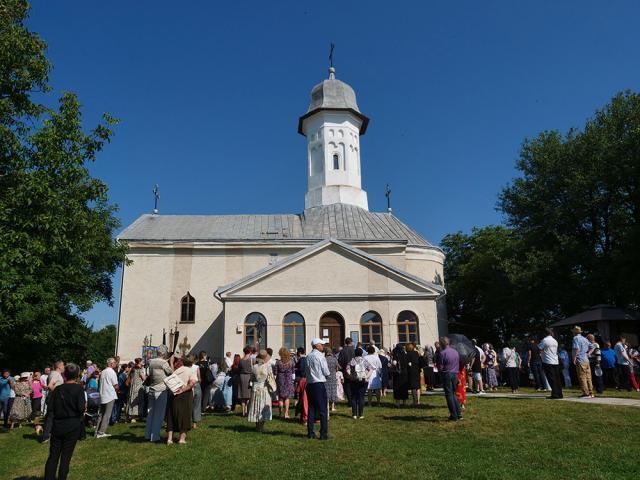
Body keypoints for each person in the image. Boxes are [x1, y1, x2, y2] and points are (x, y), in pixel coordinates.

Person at [43, 363, 86, 480]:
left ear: (65, 374)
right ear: (77, 374)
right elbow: (81, 408)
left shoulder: (58, 389)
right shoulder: (78, 389)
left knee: (53, 455)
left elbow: (51, 407)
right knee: (65, 456)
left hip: (58, 425)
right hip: (72, 425)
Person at [166, 357, 198, 444]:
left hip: (173, 394)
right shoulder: (190, 371)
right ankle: (182, 439)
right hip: (185, 395)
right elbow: (192, 383)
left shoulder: (176, 371)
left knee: (171, 415)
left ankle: (169, 439)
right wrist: (183, 389)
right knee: (185, 415)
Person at [145, 345, 173, 442]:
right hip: (161, 389)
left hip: (152, 389)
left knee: (150, 413)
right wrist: (171, 362)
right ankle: (155, 437)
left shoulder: (151, 361)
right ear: (164, 354)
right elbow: (171, 373)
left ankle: (148, 435)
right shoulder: (164, 362)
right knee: (159, 414)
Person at [305, 338, 330, 440]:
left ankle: (310, 432)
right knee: (322, 410)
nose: (323, 346)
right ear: (317, 346)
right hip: (319, 384)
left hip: (310, 384)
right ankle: (323, 433)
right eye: (321, 345)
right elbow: (326, 371)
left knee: (311, 409)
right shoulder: (320, 356)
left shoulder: (308, 356)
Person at [437, 337, 462, 421]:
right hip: (455, 374)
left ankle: (454, 415)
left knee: (449, 395)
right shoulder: (455, 352)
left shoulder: (442, 353)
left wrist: (440, 374)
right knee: (453, 394)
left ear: (441, 344)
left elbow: (440, 367)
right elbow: (458, 363)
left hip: (447, 374)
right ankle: (458, 414)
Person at [248, 350, 273, 432]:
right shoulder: (268, 366)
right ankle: (261, 427)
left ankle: (257, 426)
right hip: (263, 389)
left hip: (255, 389)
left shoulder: (254, 366)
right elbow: (271, 379)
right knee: (262, 407)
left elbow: (251, 379)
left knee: (256, 407)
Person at [95, 358, 118, 438]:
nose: (116, 364)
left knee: (101, 414)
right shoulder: (112, 372)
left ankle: (97, 431)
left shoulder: (103, 371)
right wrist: (117, 388)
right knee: (107, 415)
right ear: (111, 364)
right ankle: (101, 432)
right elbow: (115, 385)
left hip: (103, 394)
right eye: (114, 362)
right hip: (109, 395)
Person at [42, 361, 65, 443]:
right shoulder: (56, 374)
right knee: (51, 417)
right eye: (63, 365)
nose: (64, 367)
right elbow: (50, 385)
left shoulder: (53, 373)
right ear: (59, 366)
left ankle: (49, 435)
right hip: (55, 399)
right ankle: (46, 436)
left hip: (52, 398)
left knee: (51, 417)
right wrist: (59, 395)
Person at [538, 328, 563, 399]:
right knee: (557, 378)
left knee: (551, 379)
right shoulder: (555, 340)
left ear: (544, 333)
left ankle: (555, 394)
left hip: (548, 361)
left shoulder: (545, 340)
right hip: (555, 361)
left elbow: (539, 348)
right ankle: (559, 393)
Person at [571, 326, 594, 398]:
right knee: (588, 377)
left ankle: (585, 393)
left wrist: (574, 358)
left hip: (580, 359)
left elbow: (576, 349)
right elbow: (593, 346)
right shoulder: (584, 338)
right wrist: (589, 353)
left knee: (582, 377)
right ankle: (591, 393)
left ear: (574, 332)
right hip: (586, 360)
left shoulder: (575, 338)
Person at [126, 358, 146, 422]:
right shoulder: (139, 370)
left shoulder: (133, 369)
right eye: (142, 362)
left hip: (132, 387)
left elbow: (128, 377)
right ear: (139, 362)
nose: (143, 363)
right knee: (138, 401)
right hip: (138, 387)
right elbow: (144, 378)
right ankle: (134, 417)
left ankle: (130, 416)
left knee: (131, 400)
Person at [337, 337, 355, 403]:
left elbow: (340, 361)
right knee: (353, 385)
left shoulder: (343, 351)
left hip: (345, 370)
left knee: (347, 386)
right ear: (351, 342)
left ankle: (350, 400)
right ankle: (353, 400)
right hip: (353, 370)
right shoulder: (354, 350)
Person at [188, 354, 202, 428]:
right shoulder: (196, 367)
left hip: (188, 385)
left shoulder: (186, 367)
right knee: (196, 404)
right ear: (195, 360)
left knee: (189, 404)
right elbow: (199, 378)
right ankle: (194, 423)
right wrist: (199, 381)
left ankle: (188, 421)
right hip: (196, 385)